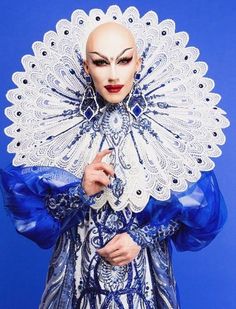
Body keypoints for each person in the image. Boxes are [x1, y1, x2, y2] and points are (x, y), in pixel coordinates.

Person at [0, 6, 228, 309]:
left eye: (123, 60)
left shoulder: (169, 128)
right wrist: (80, 190)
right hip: (77, 272)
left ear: (138, 63)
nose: (112, 74)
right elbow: (33, 217)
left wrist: (141, 237)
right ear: (85, 67)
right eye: (100, 62)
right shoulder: (56, 127)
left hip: (143, 275)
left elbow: (202, 212)